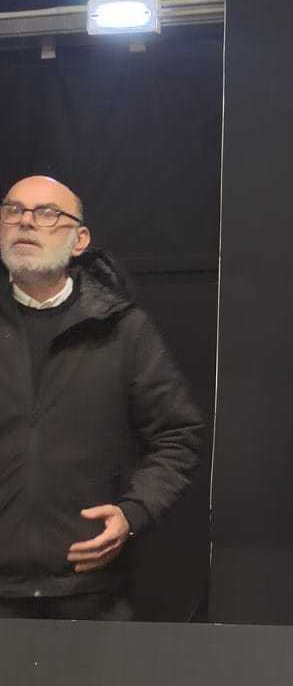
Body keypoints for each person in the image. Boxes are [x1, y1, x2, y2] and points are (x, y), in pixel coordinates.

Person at [0, 175, 204, 620]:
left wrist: (133, 513)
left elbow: (178, 435)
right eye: (13, 210)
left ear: (80, 240)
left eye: (46, 213)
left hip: (92, 592)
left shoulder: (122, 329)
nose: (26, 222)